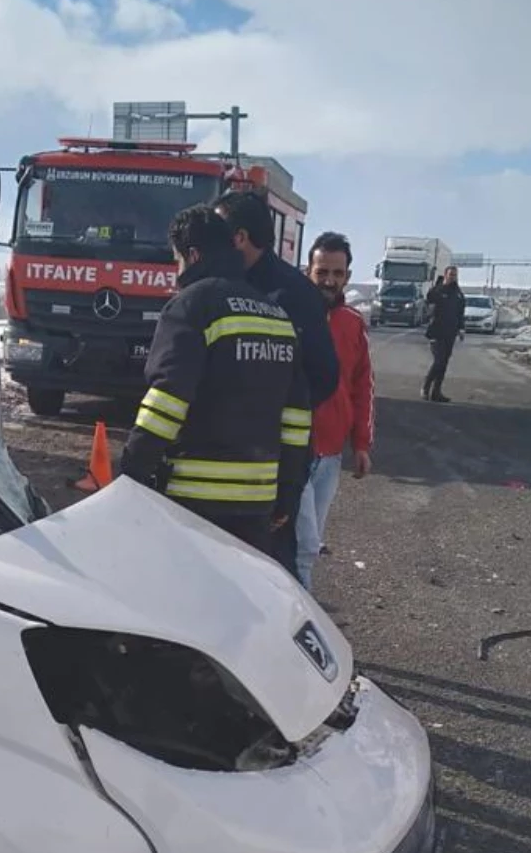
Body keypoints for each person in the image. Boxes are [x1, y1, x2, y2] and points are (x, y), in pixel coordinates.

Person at [120, 204, 310, 553]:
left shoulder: (192, 306)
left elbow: (167, 400)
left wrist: (129, 473)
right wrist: (288, 491)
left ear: (192, 255)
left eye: (177, 260)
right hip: (259, 502)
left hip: (194, 500)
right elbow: (297, 417)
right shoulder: (276, 316)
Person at [213, 189, 336, 572]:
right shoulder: (222, 285)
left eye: (219, 233)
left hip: (274, 461)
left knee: (275, 566)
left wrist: (263, 412)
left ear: (239, 238)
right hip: (227, 459)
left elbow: (323, 376)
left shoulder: (292, 295)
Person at [295, 232, 374, 592]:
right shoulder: (286, 313)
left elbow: (362, 388)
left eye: (337, 273)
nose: (329, 280)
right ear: (307, 270)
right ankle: (296, 632)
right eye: (321, 271)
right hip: (291, 450)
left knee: (307, 544)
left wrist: (361, 444)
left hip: (329, 457)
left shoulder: (352, 323)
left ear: (347, 275)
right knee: (304, 547)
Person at [423, 265, 466, 402]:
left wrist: (461, 329)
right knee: (439, 361)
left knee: (444, 363)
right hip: (436, 331)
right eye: (450, 274)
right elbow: (428, 300)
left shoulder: (458, 293)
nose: (452, 277)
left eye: (454, 275)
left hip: (450, 333)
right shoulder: (438, 290)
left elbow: (460, 313)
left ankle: (436, 392)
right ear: (445, 275)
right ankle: (425, 388)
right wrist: (436, 286)